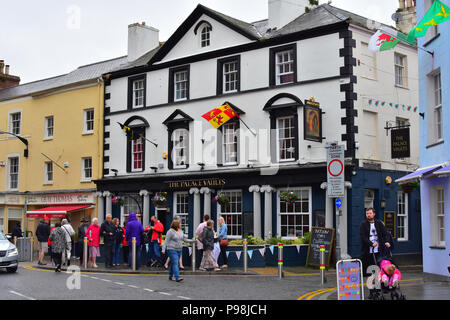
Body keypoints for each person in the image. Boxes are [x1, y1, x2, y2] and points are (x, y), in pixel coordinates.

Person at [359, 208, 391, 274]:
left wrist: (387, 241)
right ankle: (369, 282)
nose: (368, 215)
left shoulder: (379, 223)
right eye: (367, 213)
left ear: (374, 214)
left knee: (378, 268)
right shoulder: (363, 224)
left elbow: (385, 233)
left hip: (379, 250)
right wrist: (371, 244)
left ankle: (379, 281)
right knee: (368, 269)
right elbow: (363, 237)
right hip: (367, 250)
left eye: (370, 213)